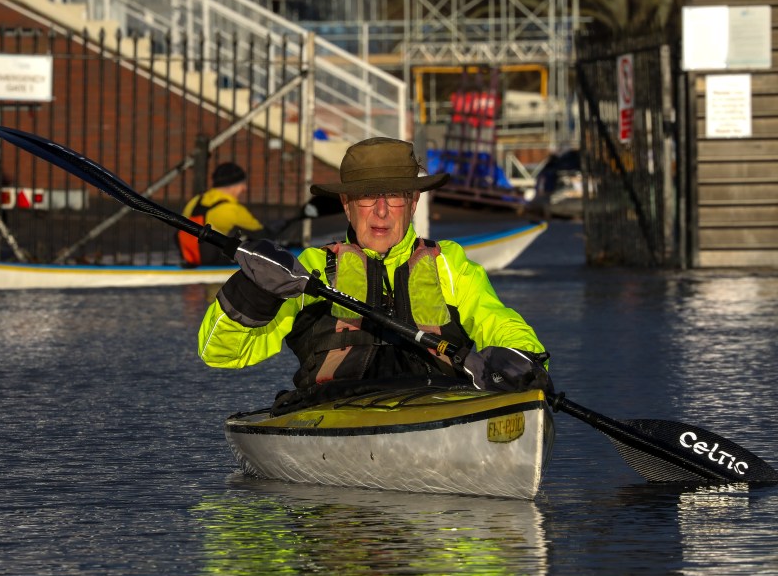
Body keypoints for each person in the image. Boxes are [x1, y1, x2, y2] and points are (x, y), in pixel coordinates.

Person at [197, 137, 551, 409]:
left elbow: (499, 321)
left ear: (412, 203)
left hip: (438, 410)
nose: (381, 212)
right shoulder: (311, 270)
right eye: (367, 197)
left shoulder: (450, 264)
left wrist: (524, 359)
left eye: (394, 197)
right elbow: (219, 353)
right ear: (347, 205)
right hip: (334, 414)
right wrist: (253, 290)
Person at [179, 162, 264, 266]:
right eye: (242, 184)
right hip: (212, 261)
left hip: (189, 257)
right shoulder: (232, 209)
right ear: (233, 186)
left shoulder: (196, 200)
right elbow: (262, 233)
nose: (245, 189)